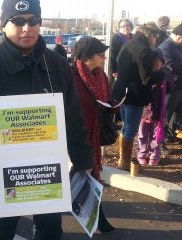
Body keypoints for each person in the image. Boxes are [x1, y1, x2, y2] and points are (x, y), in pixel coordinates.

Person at [0, 0, 94, 239]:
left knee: (51, 230)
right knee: (2, 232)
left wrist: (83, 160)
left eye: (33, 21)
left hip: (47, 171)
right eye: (18, 21)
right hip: (3, 174)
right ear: (3, 25)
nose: (26, 28)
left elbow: (73, 118)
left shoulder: (58, 65)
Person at [71, 37, 115, 233]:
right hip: (76, 135)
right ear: (88, 57)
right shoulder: (70, 75)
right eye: (100, 54)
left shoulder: (101, 76)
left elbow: (103, 99)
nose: (104, 57)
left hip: (95, 134)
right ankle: (92, 216)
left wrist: (112, 105)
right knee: (83, 174)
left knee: (90, 174)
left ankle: (96, 217)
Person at [112, 23, 164, 171]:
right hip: (134, 95)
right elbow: (147, 78)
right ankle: (125, 163)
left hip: (122, 92)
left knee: (126, 128)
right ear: (151, 35)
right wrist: (164, 73)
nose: (156, 41)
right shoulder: (144, 50)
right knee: (131, 129)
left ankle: (123, 158)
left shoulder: (129, 44)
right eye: (155, 37)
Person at [158, 23, 182, 142]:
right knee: (167, 112)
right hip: (172, 85)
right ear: (176, 35)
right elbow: (168, 65)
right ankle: (161, 138)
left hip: (181, 84)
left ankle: (172, 133)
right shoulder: (165, 46)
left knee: (177, 111)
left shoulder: (180, 46)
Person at [137, 49, 167, 166]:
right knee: (142, 133)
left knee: (156, 134)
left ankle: (154, 154)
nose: (156, 64)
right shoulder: (145, 76)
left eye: (159, 62)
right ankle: (142, 153)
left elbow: (170, 89)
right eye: (154, 61)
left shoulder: (164, 76)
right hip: (144, 110)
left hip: (158, 110)